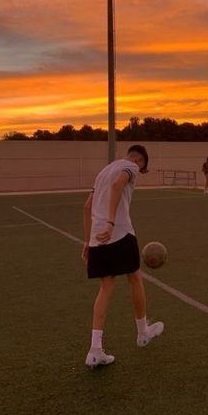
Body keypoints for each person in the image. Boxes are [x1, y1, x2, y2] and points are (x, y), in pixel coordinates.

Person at [81, 144, 164, 368]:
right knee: (135, 277)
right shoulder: (131, 167)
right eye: (142, 167)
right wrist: (110, 221)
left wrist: (88, 241)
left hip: (99, 239)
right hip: (120, 233)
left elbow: (87, 207)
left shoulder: (102, 173)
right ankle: (143, 332)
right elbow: (119, 185)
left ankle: (95, 350)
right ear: (139, 161)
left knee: (106, 288)